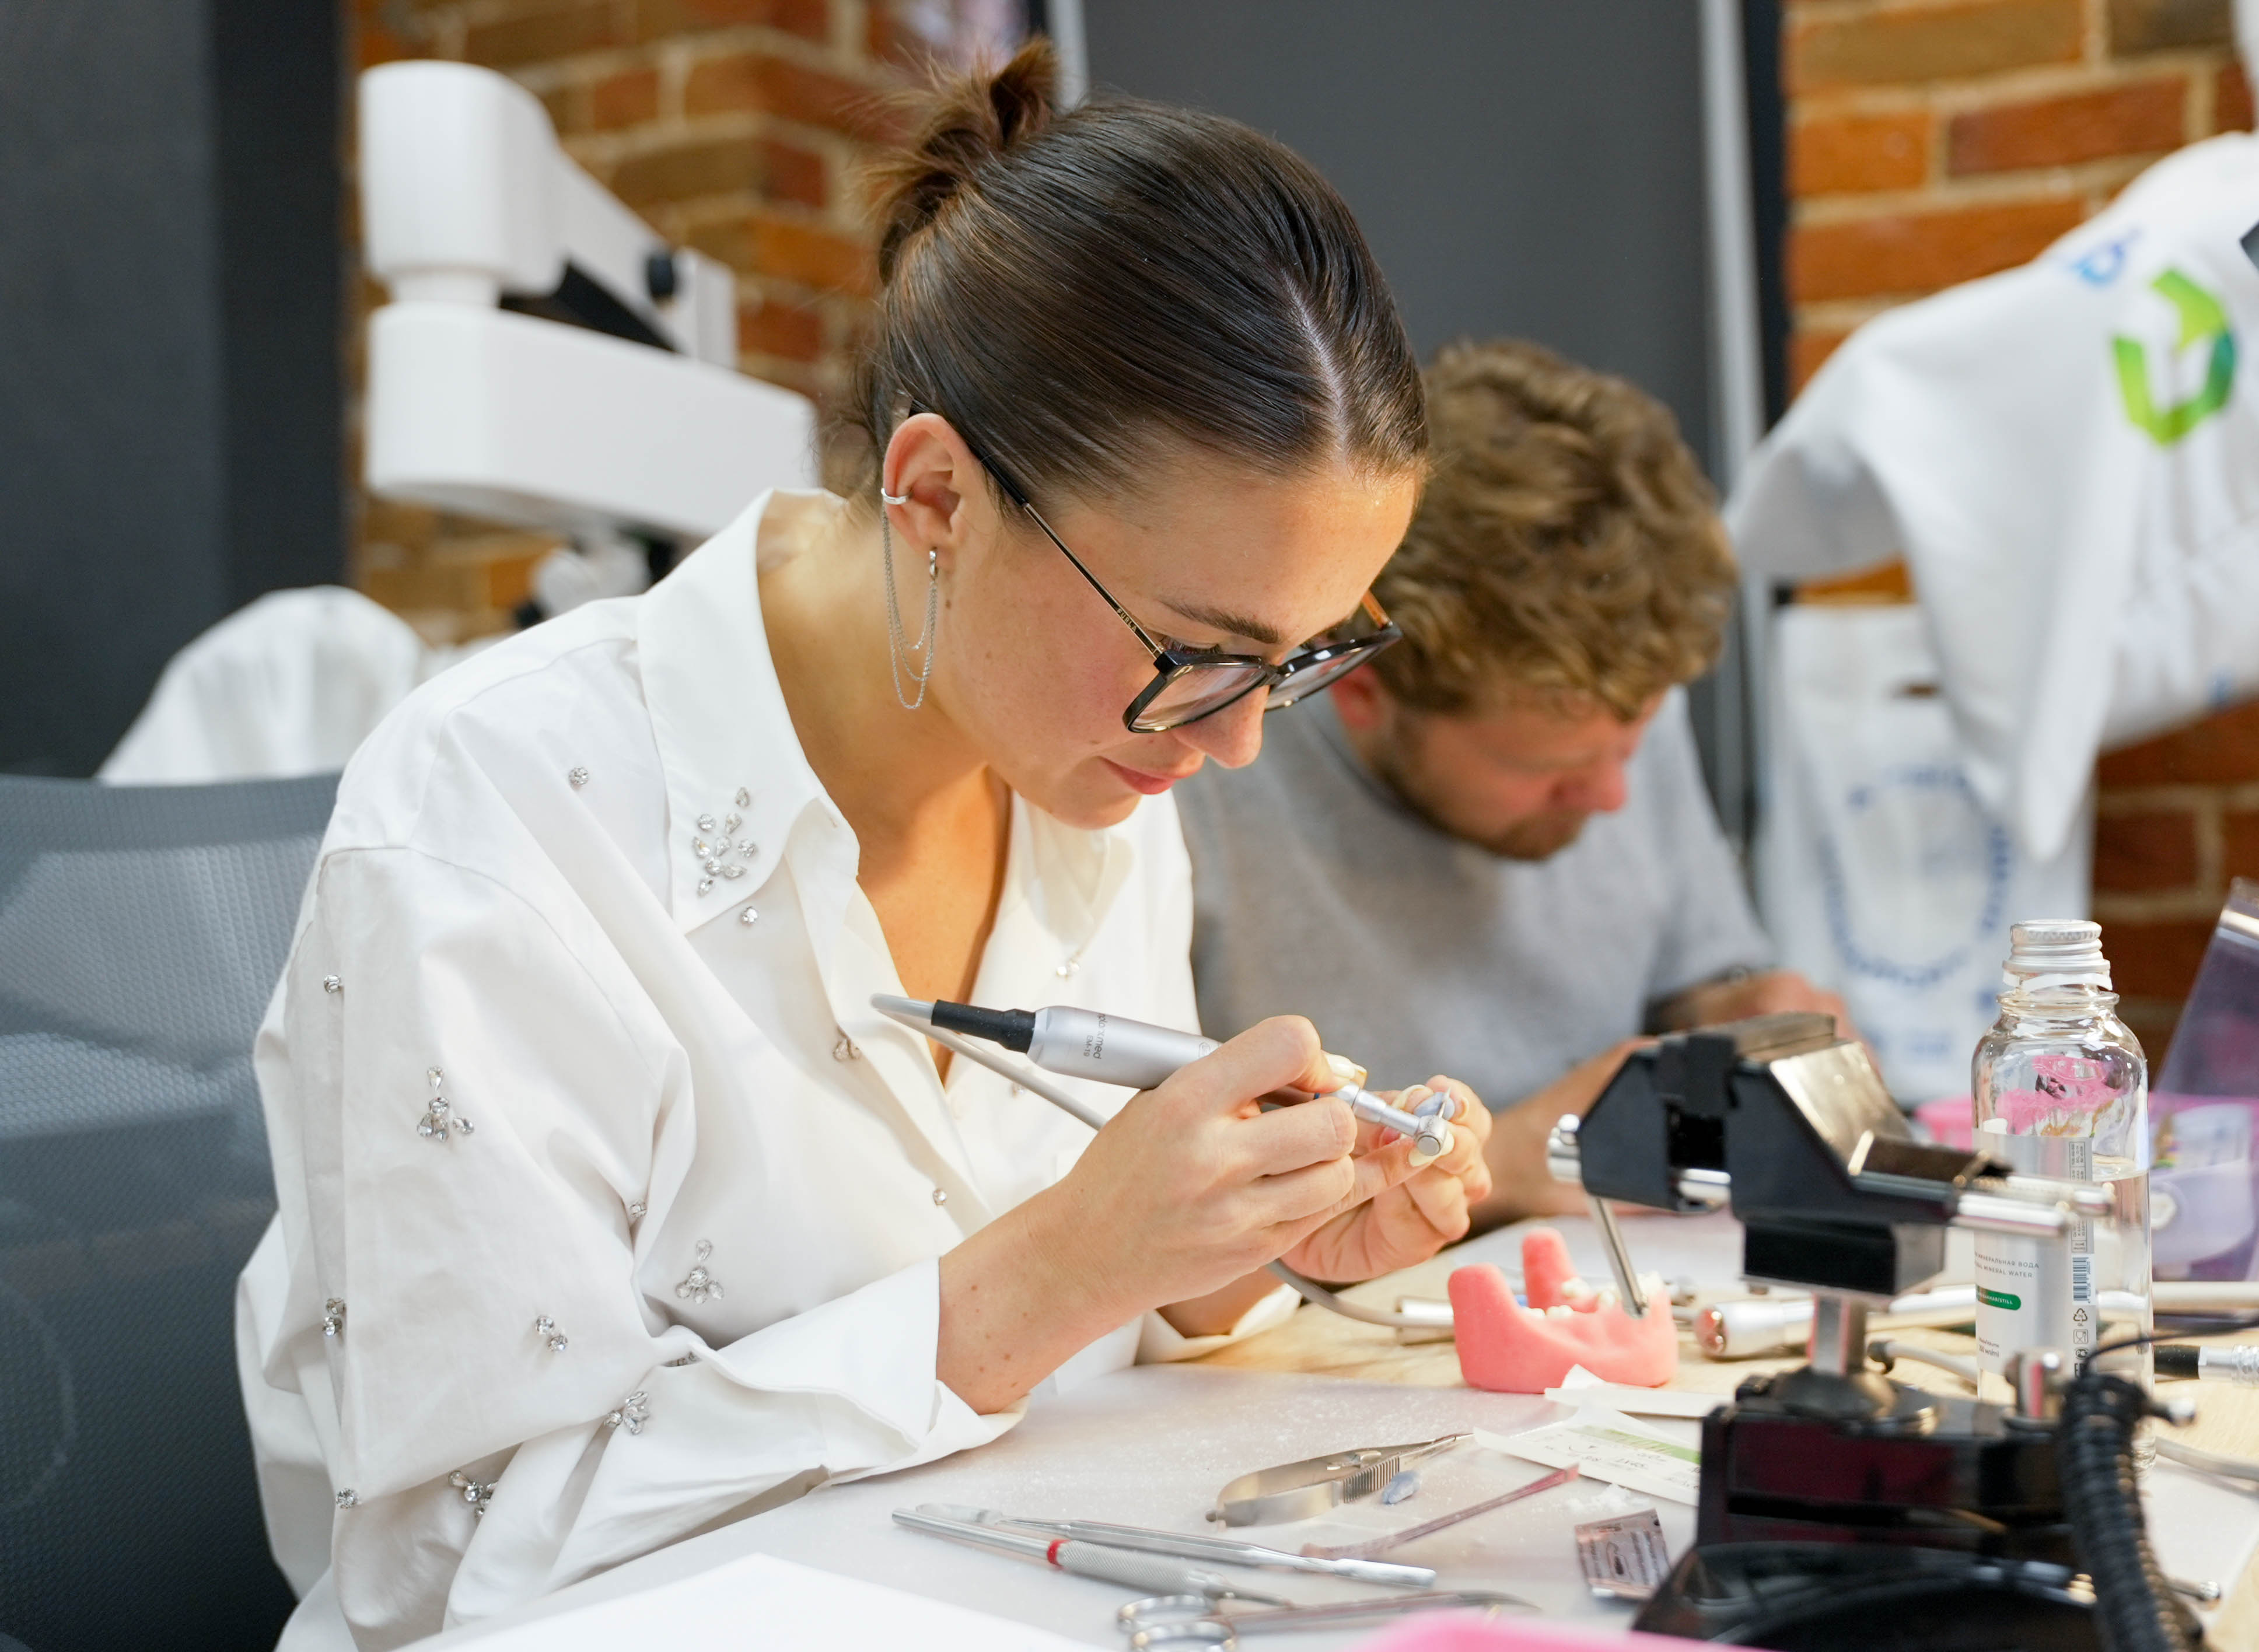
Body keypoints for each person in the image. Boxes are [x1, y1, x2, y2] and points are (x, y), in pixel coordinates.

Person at [237, 44, 1494, 1649]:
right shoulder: (497, 819)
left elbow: (1087, 1366)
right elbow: (444, 1568)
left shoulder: (1100, 782)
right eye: (1197, 651)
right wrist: (1043, 1280)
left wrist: (1236, 1250)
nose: (1238, 739)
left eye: (1301, 656)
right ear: (936, 495)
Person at [1179, 340, 1841, 1229]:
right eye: (1550, 771)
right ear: (1365, 693)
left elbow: (1690, 979)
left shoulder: (1612, 700)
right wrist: (1504, 1163)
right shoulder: (1199, 776)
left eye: (1633, 744)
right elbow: (1155, 1218)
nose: (1611, 798)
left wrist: (1742, 1013)